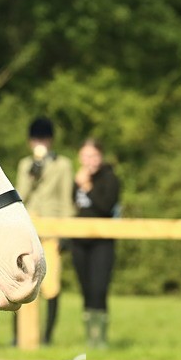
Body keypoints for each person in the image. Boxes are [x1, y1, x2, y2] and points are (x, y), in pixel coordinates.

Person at [15, 117, 75, 344]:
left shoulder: (63, 165)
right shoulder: (24, 165)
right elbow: (20, 196)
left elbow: (66, 199)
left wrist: (66, 232)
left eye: (43, 139)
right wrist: (32, 175)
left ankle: (48, 336)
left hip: (51, 230)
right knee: (21, 280)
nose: (39, 142)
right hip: (29, 229)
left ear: (50, 141)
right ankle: (18, 336)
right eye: (36, 139)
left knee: (52, 284)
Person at [72, 138, 122, 348]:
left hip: (102, 241)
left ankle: (100, 339)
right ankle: (90, 338)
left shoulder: (110, 179)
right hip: (79, 240)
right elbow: (72, 207)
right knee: (85, 289)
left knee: (99, 288)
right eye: (85, 156)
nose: (89, 161)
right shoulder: (75, 179)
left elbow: (105, 207)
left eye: (93, 156)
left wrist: (87, 187)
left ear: (100, 157)